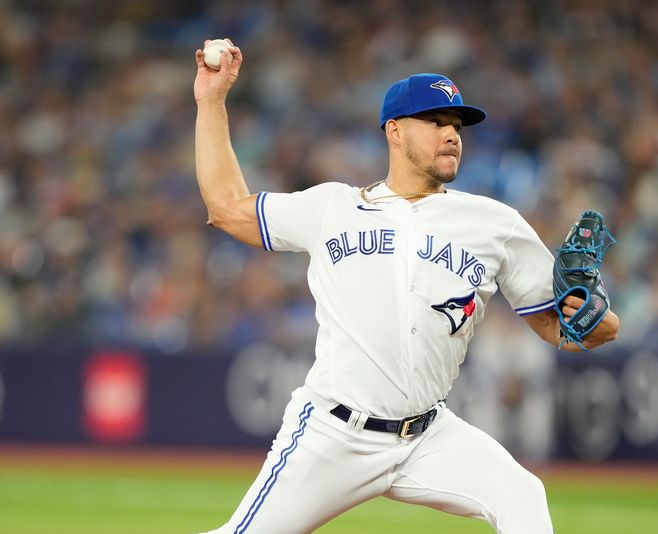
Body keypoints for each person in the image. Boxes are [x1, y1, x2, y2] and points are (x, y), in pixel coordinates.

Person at [193, 39, 619, 534]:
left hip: (427, 434)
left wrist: (596, 321)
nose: (451, 135)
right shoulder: (332, 207)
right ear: (394, 131)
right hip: (333, 433)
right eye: (435, 121)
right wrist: (212, 100)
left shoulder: (493, 223)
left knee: (523, 494)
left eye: (456, 126)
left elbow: (565, 325)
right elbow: (226, 208)